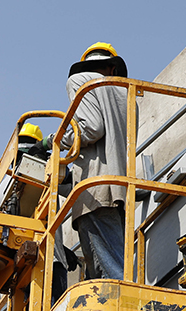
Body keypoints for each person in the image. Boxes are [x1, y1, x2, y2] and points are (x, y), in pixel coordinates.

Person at [43, 42, 132, 284]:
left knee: (109, 274)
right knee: (112, 261)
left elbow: (91, 128)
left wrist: (55, 140)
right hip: (120, 187)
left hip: (94, 189)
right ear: (113, 67)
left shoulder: (82, 80)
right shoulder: (127, 92)